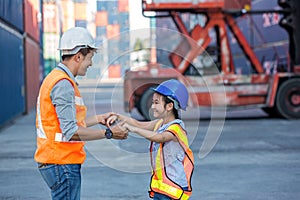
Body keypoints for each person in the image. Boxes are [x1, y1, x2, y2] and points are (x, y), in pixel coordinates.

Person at [34, 27, 128, 200]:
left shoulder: (57, 78)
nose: (91, 63)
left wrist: (98, 119)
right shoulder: (63, 84)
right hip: (62, 163)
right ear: (78, 56)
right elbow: (71, 132)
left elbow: (67, 123)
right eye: (90, 57)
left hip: (56, 161)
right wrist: (109, 133)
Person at [107, 79, 194, 200]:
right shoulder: (160, 123)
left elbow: (160, 138)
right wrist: (119, 117)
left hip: (174, 188)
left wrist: (132, 129)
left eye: (156, 102)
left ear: (169, 106)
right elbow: (140, 124)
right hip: (162, 188)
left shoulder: (177, 128)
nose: (152, 106)